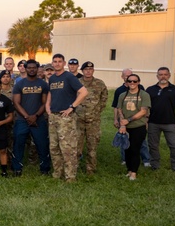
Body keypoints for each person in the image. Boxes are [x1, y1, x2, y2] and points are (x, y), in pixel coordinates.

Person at [46, 54, 88, 182]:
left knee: (68, 148)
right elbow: (50, 93)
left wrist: (72, 107)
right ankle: (57, 173)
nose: (57, 63)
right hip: (53, 116)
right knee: (54, 147)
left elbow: (84, 92)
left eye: (60, 61)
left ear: (64, 63)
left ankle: (70, 176)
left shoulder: (69, 77)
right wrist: (47, 106)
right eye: (55, 61)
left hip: (66, 117)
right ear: (52, 63)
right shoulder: (52, 78)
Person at [12, 60, 51, 176]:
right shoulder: (20, 84)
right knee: (18, 144)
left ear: (38, 68)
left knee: (42, 144)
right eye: (29, 68)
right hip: (21, 120)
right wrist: (27, 116)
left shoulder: (43, 84)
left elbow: (45, 103)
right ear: (25, 68)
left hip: (38, 120)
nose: (32, 69)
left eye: (34, 67)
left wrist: (36, 116)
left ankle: (45, 168)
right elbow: (16, 103)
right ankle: (17, 168)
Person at [144, 67, 175, 171]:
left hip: (169, 123)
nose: (163, 76)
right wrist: (146, 120)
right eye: (161, 74)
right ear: (157, 76)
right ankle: (155, 165)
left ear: (169, 75)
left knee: (174, 145)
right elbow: (145, 106)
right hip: (153, 122)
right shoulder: (150, 89)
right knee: (153, 145)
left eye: (165, 74)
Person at [75, 61, 108, 175]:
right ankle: (75, 168)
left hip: (93, 121)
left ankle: (90, 170)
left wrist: (95, 112)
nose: (88, 71)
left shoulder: (100, 83)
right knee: (77, 146)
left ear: (93, 70)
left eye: (90, 69)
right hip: (78, 120)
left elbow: (103, 100)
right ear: (82, 71)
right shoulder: (77, 83)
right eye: (86, 69)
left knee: (92, 147)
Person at [117, 73, 151, 181]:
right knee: (126, 148)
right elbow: (119, 109)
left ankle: (134, 173)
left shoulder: (144, 95)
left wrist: (129, 120)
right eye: (130, 81)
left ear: (138, 82)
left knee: (135, 149)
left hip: (138, 126)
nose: (132, 83)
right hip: (126, 127)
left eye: (134, 81)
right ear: (126, 83)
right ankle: (129, 170)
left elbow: (143, 111)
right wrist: (123, 123)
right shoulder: (123, 95)